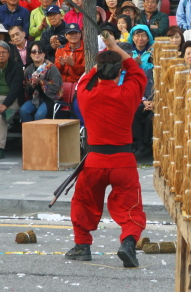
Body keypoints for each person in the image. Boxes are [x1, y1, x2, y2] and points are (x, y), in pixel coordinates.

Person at [66, 33, 147, 267]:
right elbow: (137, 71)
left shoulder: (85, 93)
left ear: (99, 70)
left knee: (83, 202)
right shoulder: (129, 92)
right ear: (118, 71)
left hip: (94, 160)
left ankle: (82, 246)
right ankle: (129, 243)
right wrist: (115, 48)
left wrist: (101, 60)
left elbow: (85, 78)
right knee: (131, 205)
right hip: (123, 160)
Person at [0, 41, 23, 160]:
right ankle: (0, 110)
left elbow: (15, 89)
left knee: (0, 117)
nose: (1, 55)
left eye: (4, 52)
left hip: (11, 99)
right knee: (0, 113)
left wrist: (5, 104)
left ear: (9, 54)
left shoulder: (16, 67)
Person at [20, 41, 63, 122]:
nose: (37, 54)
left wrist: (40, 82)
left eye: (40, 51)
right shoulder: (29, 69)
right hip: (35, 98)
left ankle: (39, 134)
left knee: (39, 115)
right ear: (30, 54)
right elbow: (26, 90)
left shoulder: (51, 68)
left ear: (44, 54)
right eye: (33, 51)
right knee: (23, 111)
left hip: (50, 99)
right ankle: (30, 134)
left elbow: (55, 87)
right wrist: (32, 85)